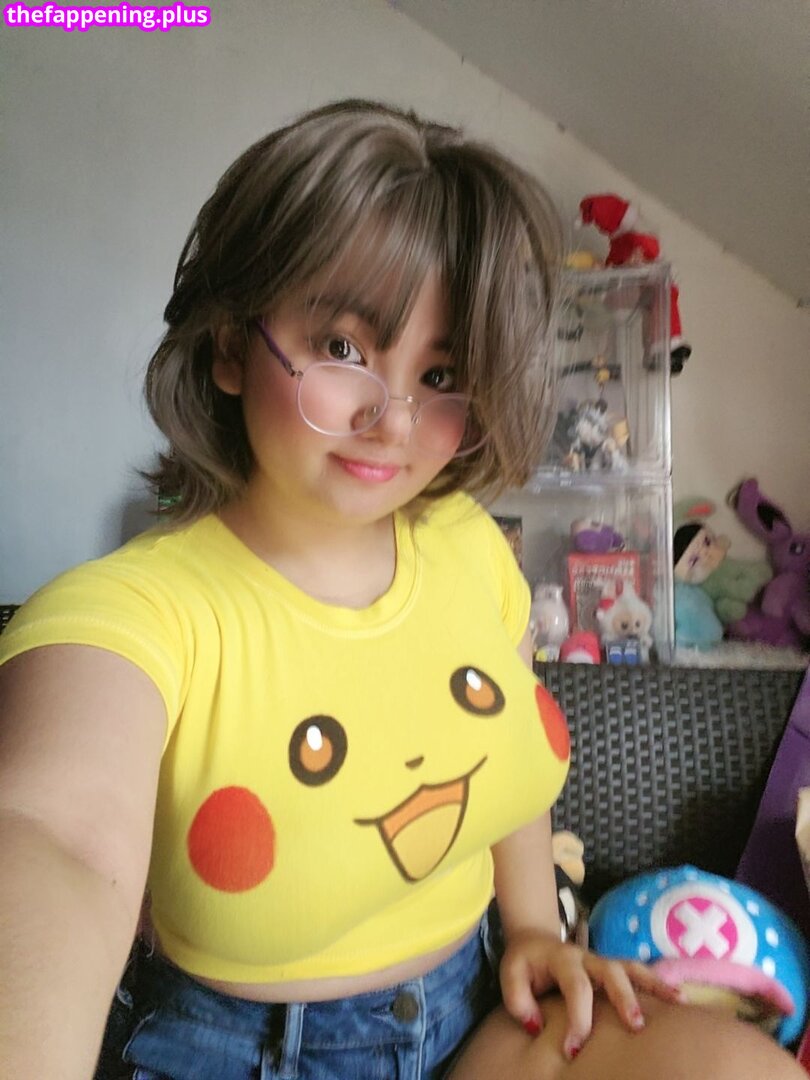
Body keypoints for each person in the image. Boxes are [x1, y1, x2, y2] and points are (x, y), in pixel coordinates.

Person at [0, 100, 803, 1080]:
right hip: (244, 1055)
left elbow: (503, 758)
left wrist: (531, 930)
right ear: (229, 345)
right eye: (344, 348)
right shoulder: (130, 614)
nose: (392, 418)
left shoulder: (469, 547)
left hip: (478, 1010)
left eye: (442, 370)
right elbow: (58, 841)